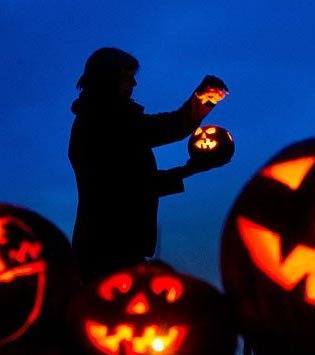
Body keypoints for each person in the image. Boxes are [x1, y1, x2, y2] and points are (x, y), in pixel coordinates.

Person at [69, 47, 229, 283]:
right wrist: (201, 99)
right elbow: (169, 130)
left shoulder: (96, 119)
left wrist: (190, 168)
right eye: (127, 76)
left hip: (109, 244)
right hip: (110, 246)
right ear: (108, 78)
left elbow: (134, 185)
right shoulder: (107, 122)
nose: (133, 82)